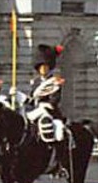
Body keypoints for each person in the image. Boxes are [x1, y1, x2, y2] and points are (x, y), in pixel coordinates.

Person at [28, 43, 68, 175]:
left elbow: (55, 99)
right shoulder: (36, 83)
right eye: (41, 67)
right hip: (36, 112)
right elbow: (31, 99)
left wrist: (48, 105)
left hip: (51, 113)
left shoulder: (55, 81)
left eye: (45, 66)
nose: (43, 69)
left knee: (59, 131)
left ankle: (59, 162)